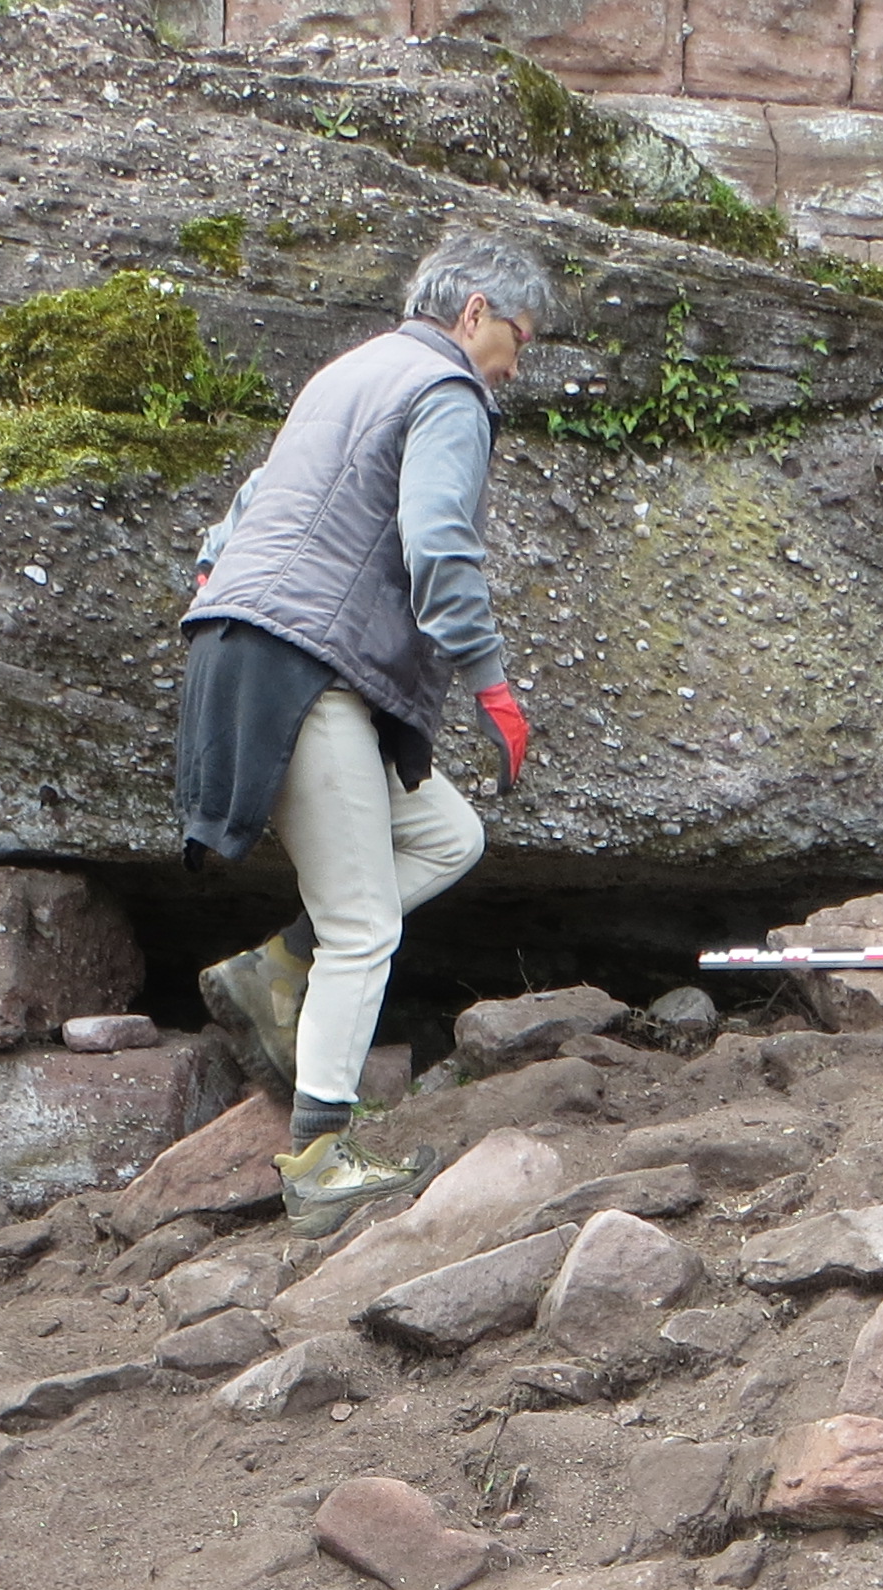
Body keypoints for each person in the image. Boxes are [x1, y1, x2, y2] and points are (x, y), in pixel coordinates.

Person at [175, 229, 549, 1238]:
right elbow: (439, 545)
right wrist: (491, 684)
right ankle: (320, 1158)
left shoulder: (348, 373)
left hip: (243, 651)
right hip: (306, 668)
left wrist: (229, 593)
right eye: (519, 338)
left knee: (447, 835)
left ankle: (275, 969)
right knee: (365, 926)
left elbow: (240, 517)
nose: (517, 365)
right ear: (475, 311)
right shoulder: (446, 390)